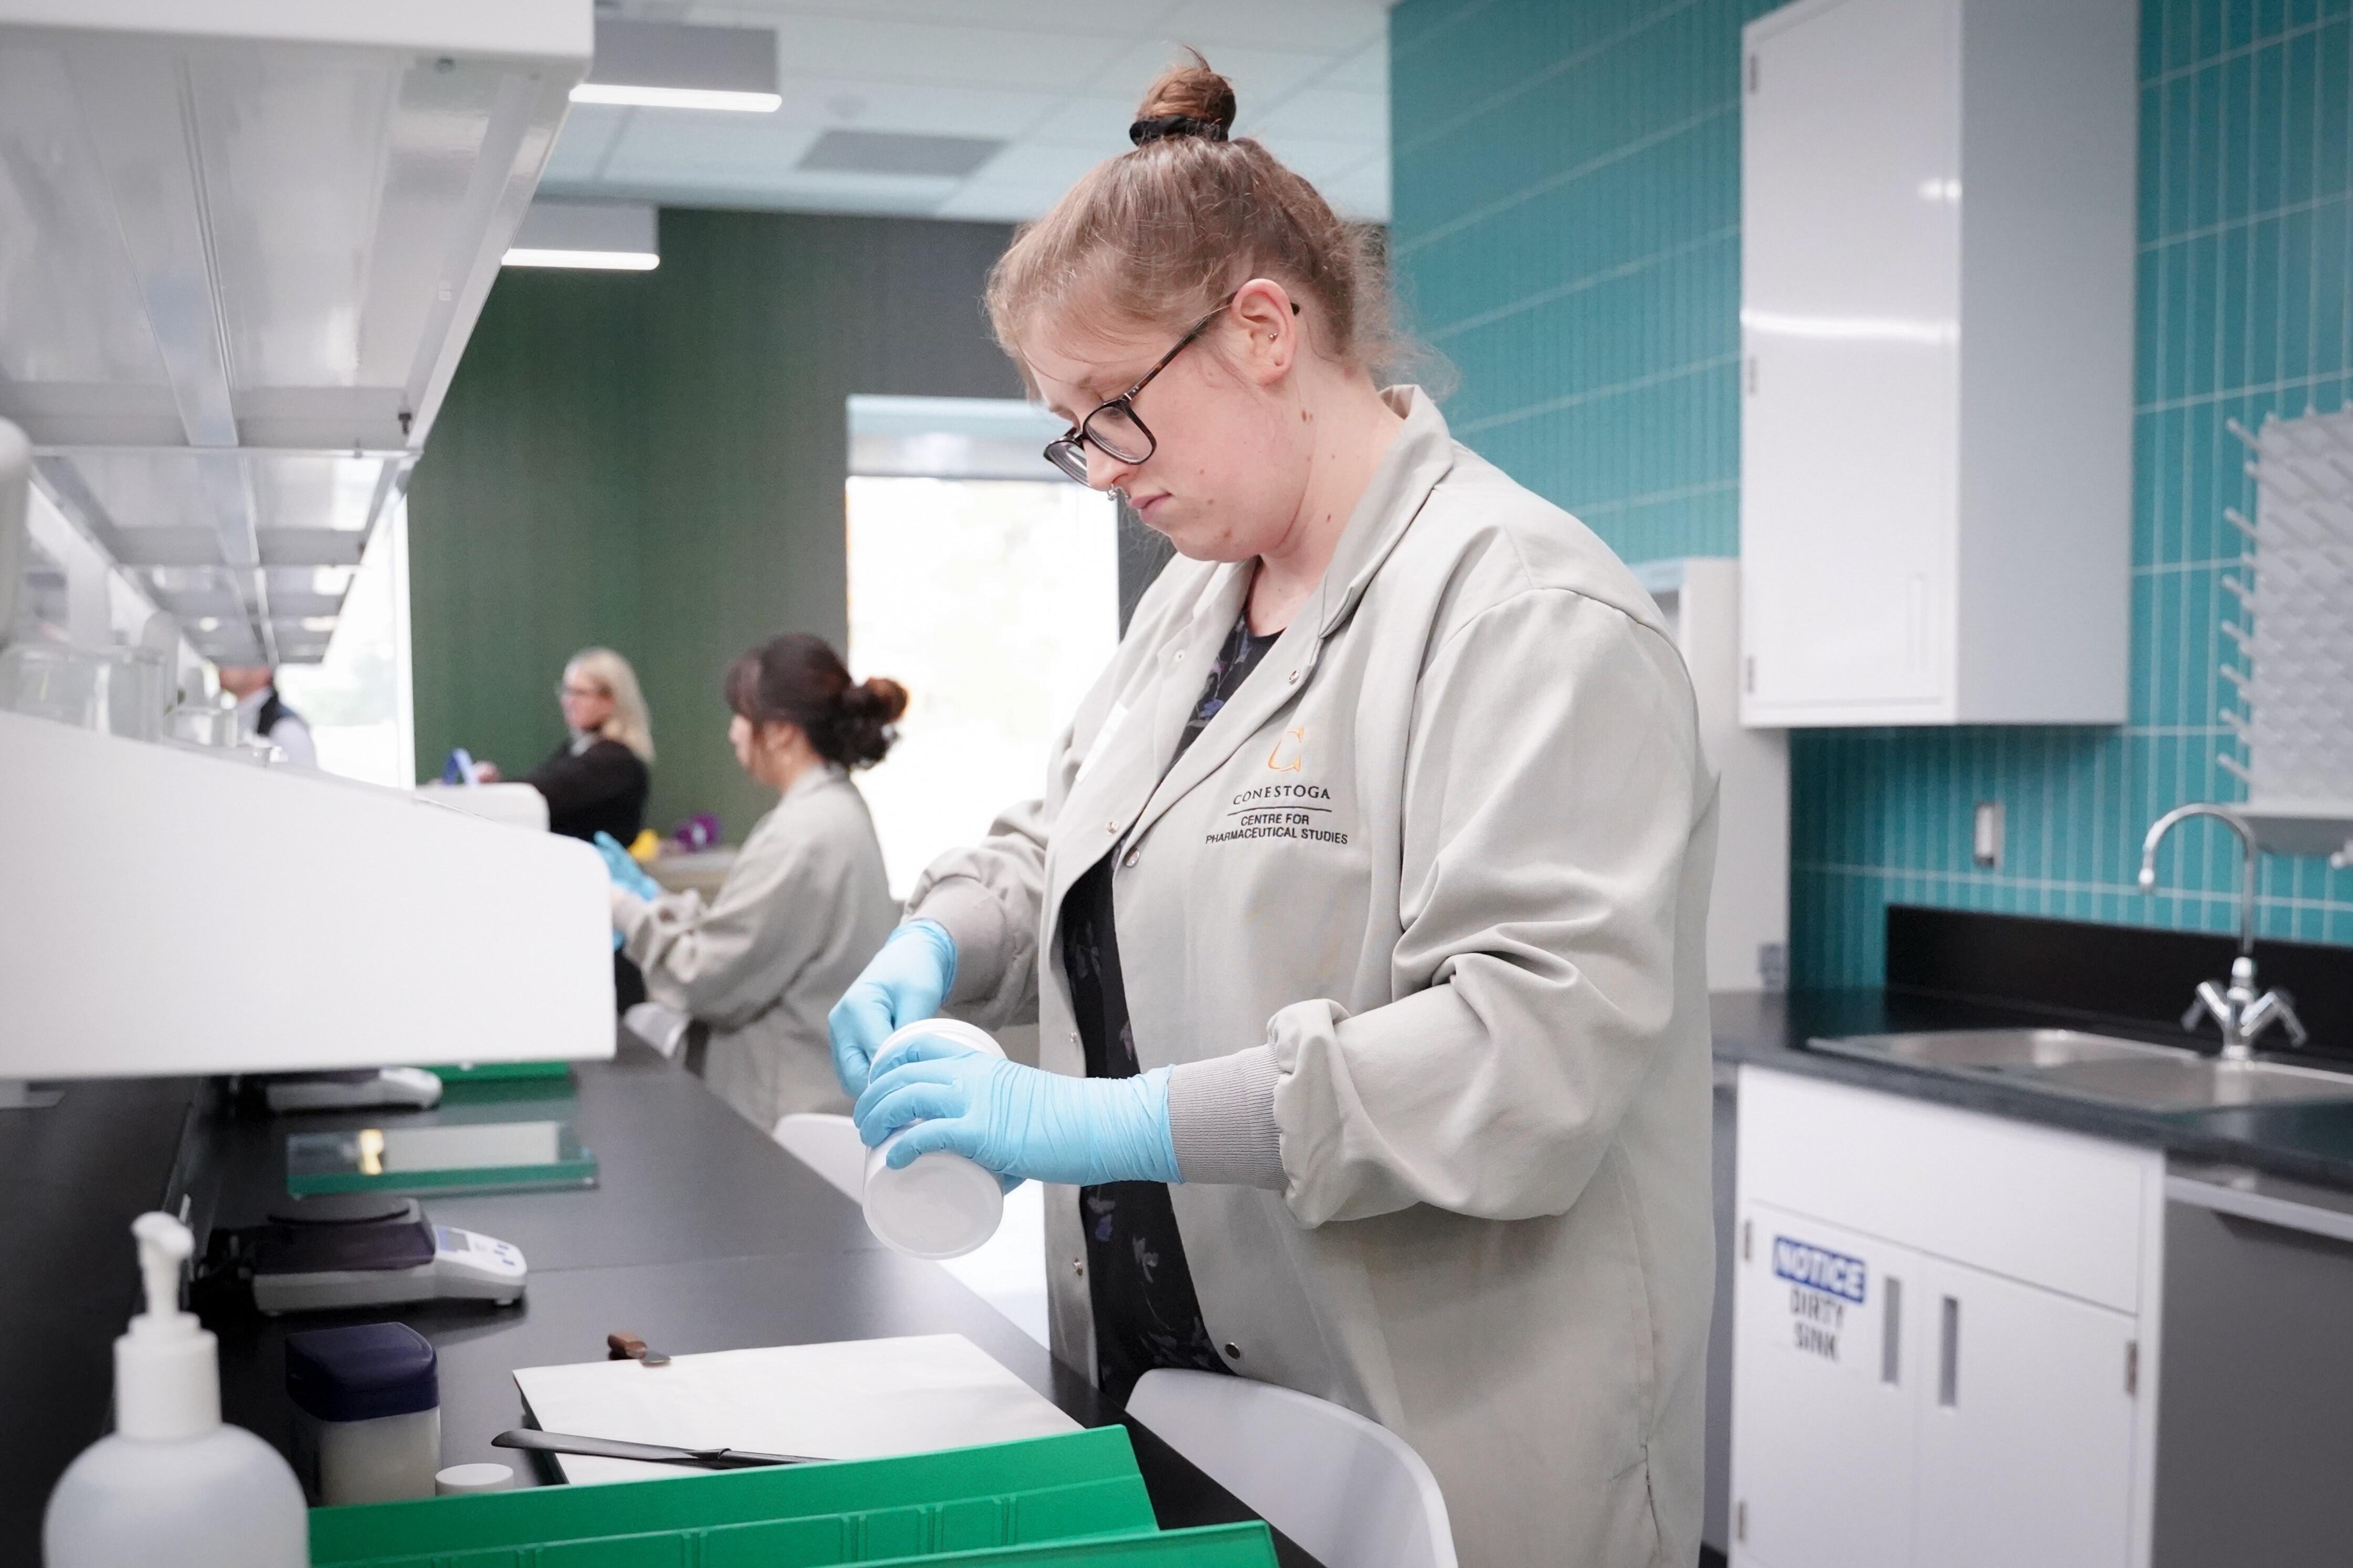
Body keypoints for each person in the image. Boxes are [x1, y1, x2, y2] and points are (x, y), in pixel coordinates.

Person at [830, 58, 1718, 1568]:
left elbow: (1527, 1056)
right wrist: (932, 938)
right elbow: (1061, 839)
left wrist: (1113, 1121)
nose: (1098, 471)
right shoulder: (1193, 605)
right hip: (1193, 1385)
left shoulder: (1524, 610)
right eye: (1072, 430)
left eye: (1111, 414)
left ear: (1258, 329)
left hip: (1441, 1431)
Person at [599, 634, 900, 1130]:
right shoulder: (835, 808)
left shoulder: (800, 835)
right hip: (816, 1102)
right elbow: (752, 938)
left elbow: (708, 980)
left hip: (783, 1120)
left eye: (741, 716)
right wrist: (664, 907)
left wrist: (626, 910)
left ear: (780, 731)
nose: (734, 733)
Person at [477, 648, 654, 844]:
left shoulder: (615, 761)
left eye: (579, 693)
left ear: (610, 699)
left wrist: (492, 792)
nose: (568, 701)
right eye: (566, 691)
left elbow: (546, 792)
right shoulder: (578, 748)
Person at [217, 665, 315, 769]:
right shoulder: (236, 718)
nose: (224, 663)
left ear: (264, 667)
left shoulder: (287, 729)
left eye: (238, 655)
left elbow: (303, 782)